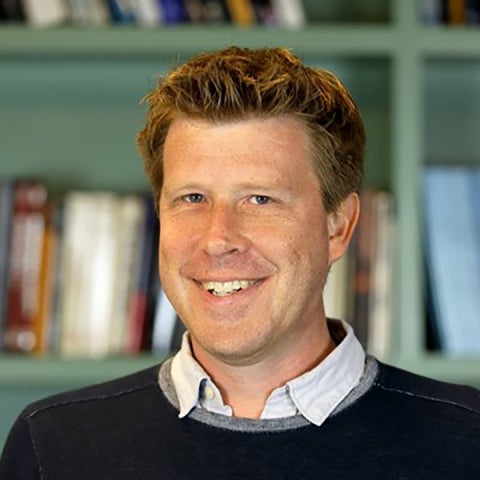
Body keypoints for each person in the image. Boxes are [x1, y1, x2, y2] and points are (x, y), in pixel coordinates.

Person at [0, 46, 478, 479]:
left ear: (339, 226)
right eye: (191, 197)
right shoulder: (53, 446)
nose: (218, 238)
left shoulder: (466, 442)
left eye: (260, 199)